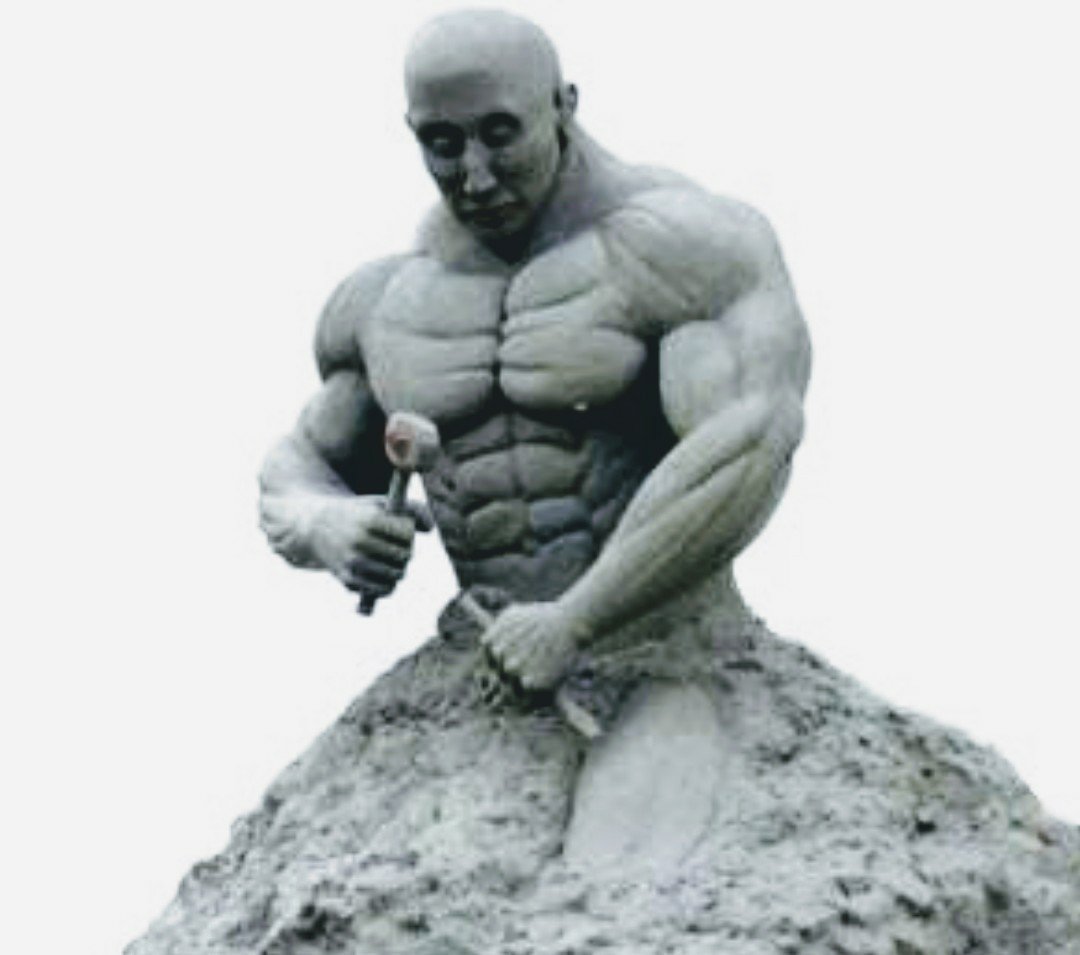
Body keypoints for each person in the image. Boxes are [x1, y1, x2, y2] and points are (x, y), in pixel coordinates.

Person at [259, 9, 811, 697]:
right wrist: (325, 522)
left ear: (562, 105)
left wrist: (576, 620)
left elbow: (752, 437)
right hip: (473, 669)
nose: (476, 176)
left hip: (665, 660)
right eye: (443, 144)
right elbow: (297, 467)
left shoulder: (682, 247)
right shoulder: (384, 301)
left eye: (500, 134)